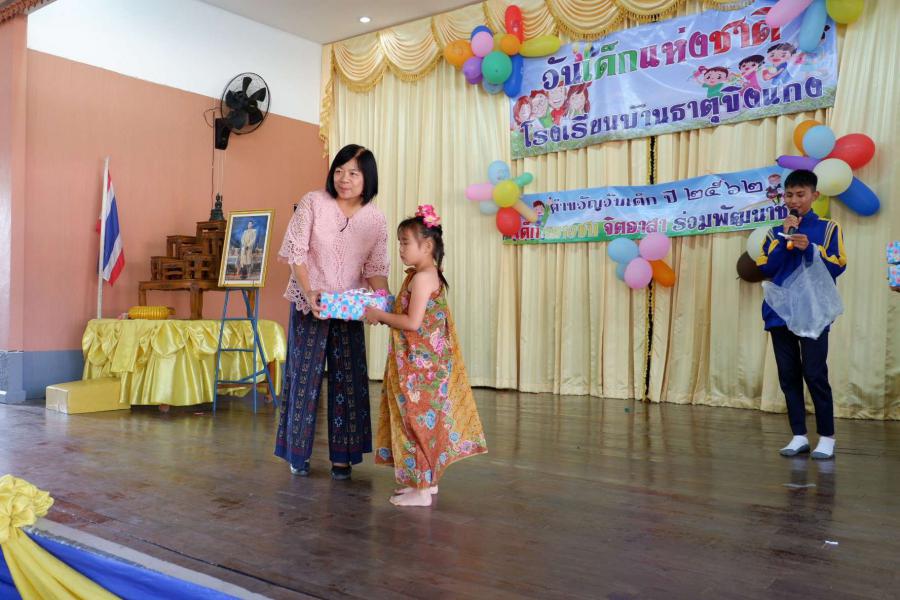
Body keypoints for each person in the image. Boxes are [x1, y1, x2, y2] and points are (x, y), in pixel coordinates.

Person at [274, 144, 390, 480]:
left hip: (349, 308)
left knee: (349, 380)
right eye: (339, 170)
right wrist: (309, 291)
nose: (344, 178)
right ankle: (298, 455)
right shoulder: (313, 202)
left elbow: (375, 268)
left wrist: (382, 301)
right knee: (303, 378)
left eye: (353, 173)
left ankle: (344, 458)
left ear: (367, 178)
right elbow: (297, 253)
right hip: (311, 301)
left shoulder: (375, 219)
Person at [364, 205, 487, 506]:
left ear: (427, 246)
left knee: (416, 423)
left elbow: (412, 322)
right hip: (421, 365)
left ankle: (421, 490)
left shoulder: (422, 278)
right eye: (400, 243)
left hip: (421, 370)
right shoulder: (424, 275)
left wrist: (378, 314)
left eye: (406, 243)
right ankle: (425, 482)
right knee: (420, 423)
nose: (401, 249)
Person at [755, 170, 847, 460]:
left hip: (813, 312)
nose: (794, 200)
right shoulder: (773, 233)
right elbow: (765, 268)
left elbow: (838, 265)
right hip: (779, 312)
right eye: (789, 195)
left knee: (815, 373)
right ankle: (798, 435)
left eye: (800, 194)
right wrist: (785, 240)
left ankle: (827, 437)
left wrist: (811, 249)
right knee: (788, 375)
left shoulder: (828, 228)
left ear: (814, 196)